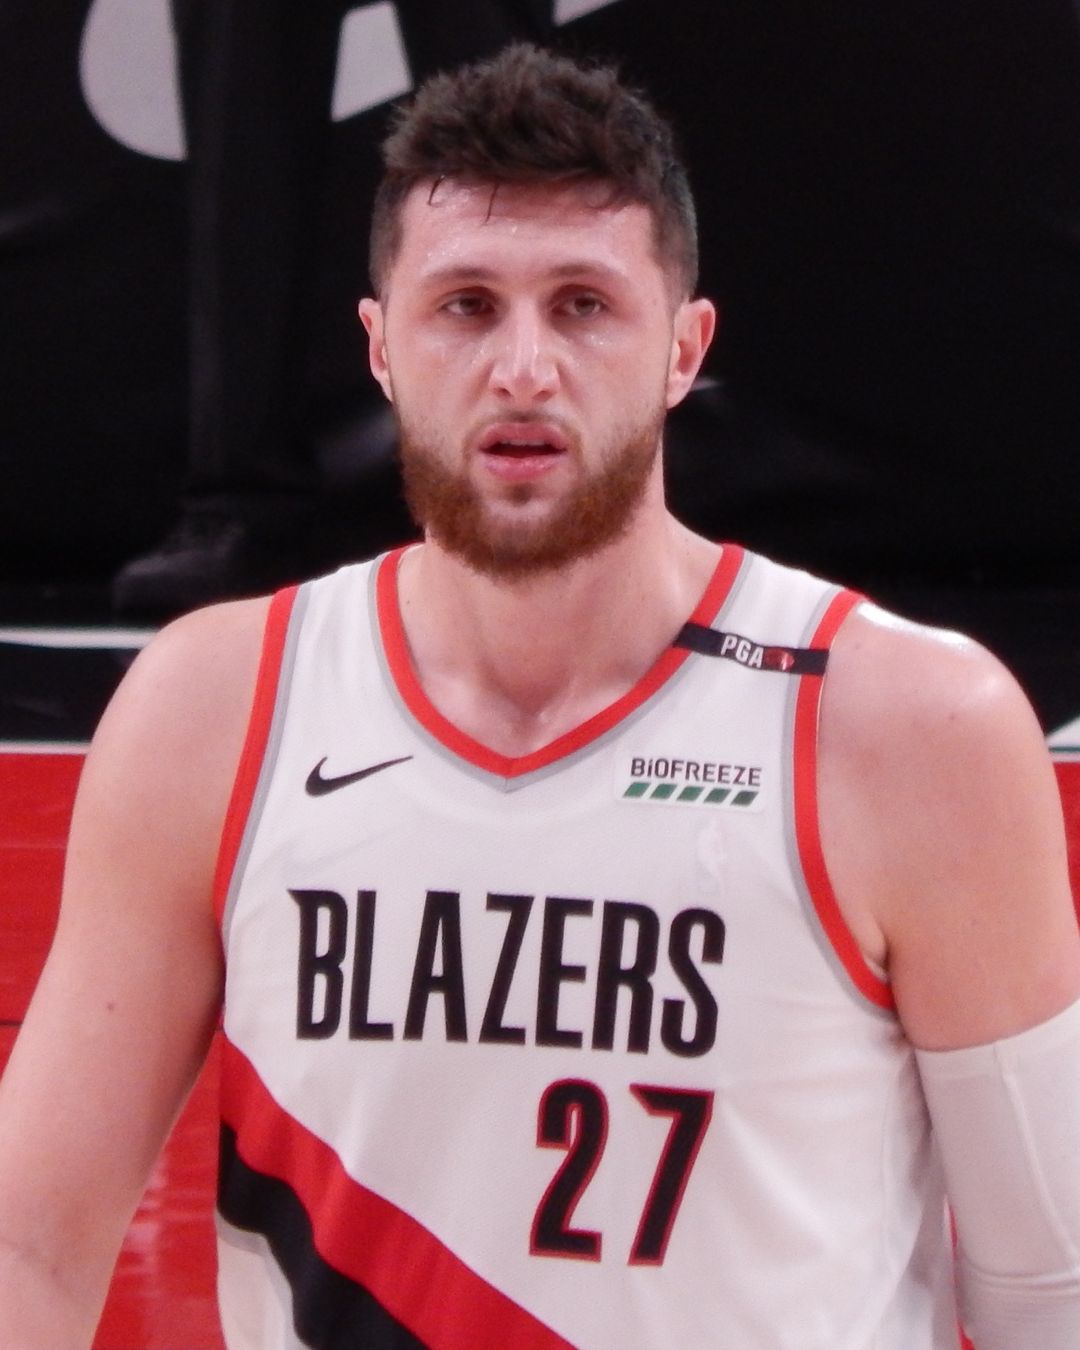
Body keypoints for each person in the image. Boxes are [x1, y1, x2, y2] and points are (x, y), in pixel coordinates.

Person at [1, 42, 1079, 1349]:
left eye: (582, 304)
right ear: (380, 346)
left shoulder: (913, 730)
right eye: (466, 305)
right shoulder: (216, 708)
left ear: (683, 348)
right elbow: (29, 1244)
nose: (524, 367)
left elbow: (1052, 1289)